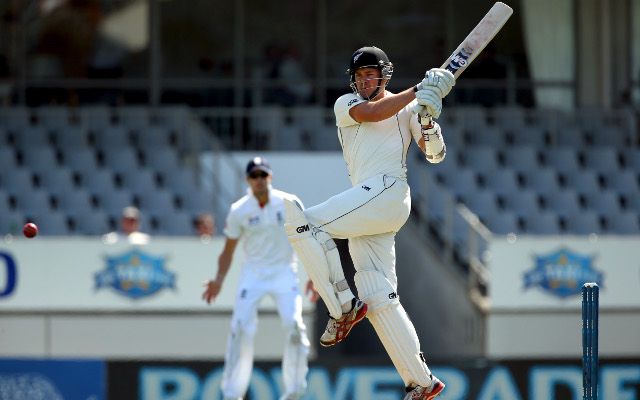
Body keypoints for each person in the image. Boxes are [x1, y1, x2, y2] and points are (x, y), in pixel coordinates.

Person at [283, 46, 455, 400]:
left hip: (389, 190)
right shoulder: (345, 104)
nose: (363, 81)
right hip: (371, 202)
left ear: (384, 74)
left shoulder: (407, 107)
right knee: (379, 296)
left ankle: (343, 306)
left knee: (305, 224)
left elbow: (435, 155)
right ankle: (422, 383)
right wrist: (421, 89)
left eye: (370, 74)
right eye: (359, 76)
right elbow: (374, 113)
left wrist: (426, 120)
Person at [202, 157, 317, 400]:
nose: (259, 180)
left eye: (263, 175)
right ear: (248, 180)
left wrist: (315, 275)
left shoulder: (288, 202)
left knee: (295, 326)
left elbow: (307, 241)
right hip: (252, 275)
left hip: (284, 273)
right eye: (254, 176)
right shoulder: (239, 210)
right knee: (240, 328)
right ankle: (232, 394)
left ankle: (294, 391)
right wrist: (218, 280)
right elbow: (228, 250)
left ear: (270, 177)